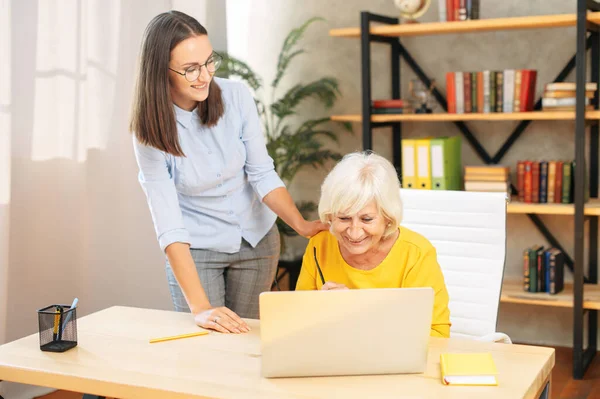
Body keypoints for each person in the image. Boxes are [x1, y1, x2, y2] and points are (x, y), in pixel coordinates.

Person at [130, 11, 326, 334]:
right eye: (190, 69)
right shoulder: (149, 133)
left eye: (209, 62)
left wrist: (301, 225)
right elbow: (169, 225)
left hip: (256, 242)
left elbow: (262, 173)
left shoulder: (236, 98)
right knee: (205, 346)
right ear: (159, 72)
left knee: (248, 341)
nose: (205, 76)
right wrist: (201, 308)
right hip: (198, 250)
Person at [295, 151, 451, 338]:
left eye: (366, 219)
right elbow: (299, 323)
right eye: (344, 218)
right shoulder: (319, 245)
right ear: (330, 216)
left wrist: (356, 311)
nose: (354, 232)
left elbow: (437, 335)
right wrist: (320, 311)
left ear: (387, 217)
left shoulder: (416, 253)